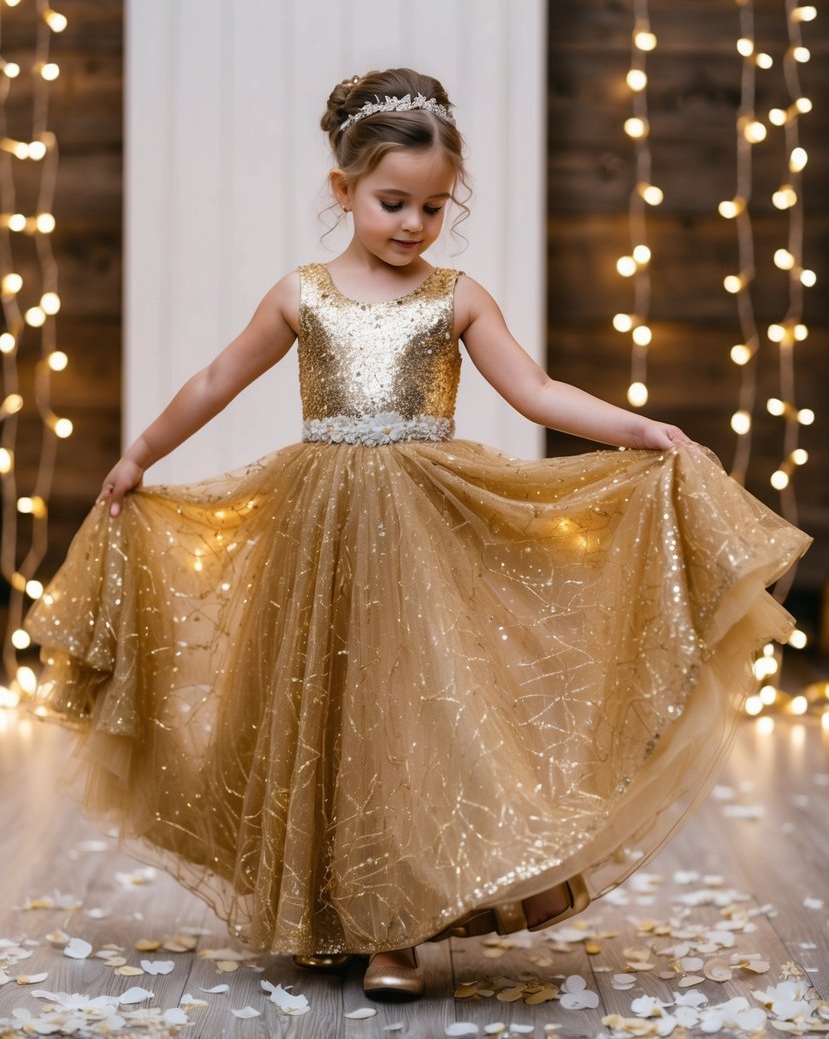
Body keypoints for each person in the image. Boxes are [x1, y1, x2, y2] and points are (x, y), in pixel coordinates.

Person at [24, 67, 810, 1004]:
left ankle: (395, 928)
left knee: (405, 716)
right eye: (392, 202)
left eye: (433, 209)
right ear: (343, 191)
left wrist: (638, 430)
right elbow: (214, 378)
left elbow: (537, 390)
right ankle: (321, 910)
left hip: (425, 526)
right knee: (319, 703)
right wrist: (140, 454)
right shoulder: (301, 295)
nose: (411, 225)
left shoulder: (457, 299)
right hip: (317, 529)